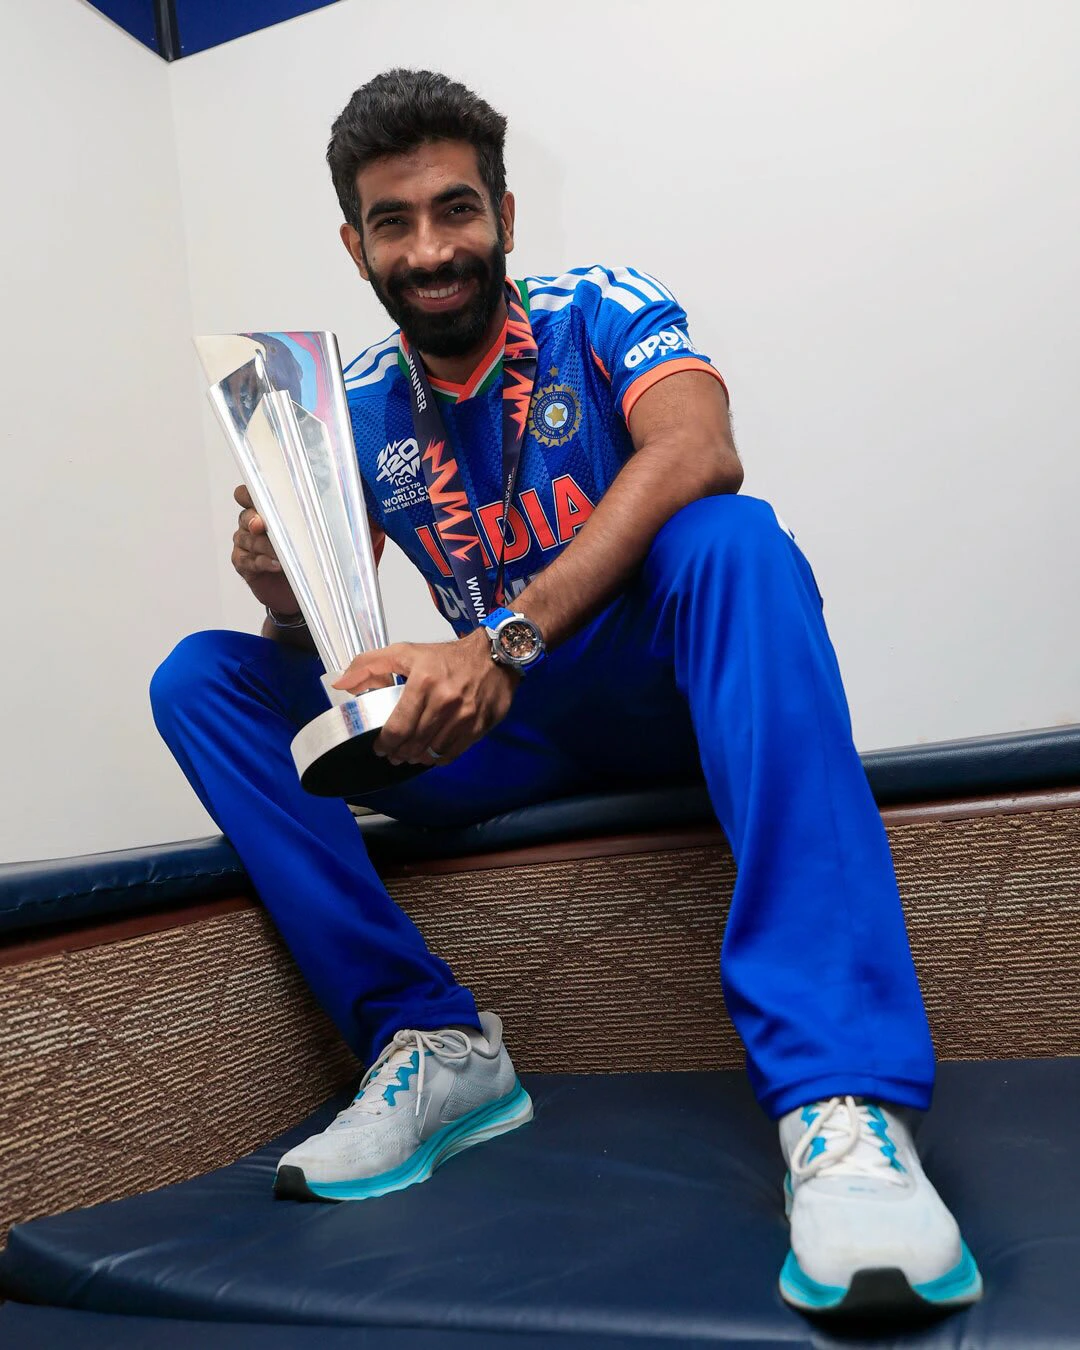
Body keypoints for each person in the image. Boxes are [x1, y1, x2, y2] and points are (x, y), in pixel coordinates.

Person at [151, 68, 982, 1317]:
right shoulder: (364, 395)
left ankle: (840, 1100)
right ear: (355, 244)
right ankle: (430, 1042)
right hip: (508, 733)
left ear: (506, 215)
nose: (431, 249)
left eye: (455, 210)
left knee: (732, 539)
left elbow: (700, 446)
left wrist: (500, 642)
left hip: (660, 692)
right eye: (395, 222)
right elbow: (337, 639)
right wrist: (282, 581)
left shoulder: (606, 305)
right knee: (203, 678)